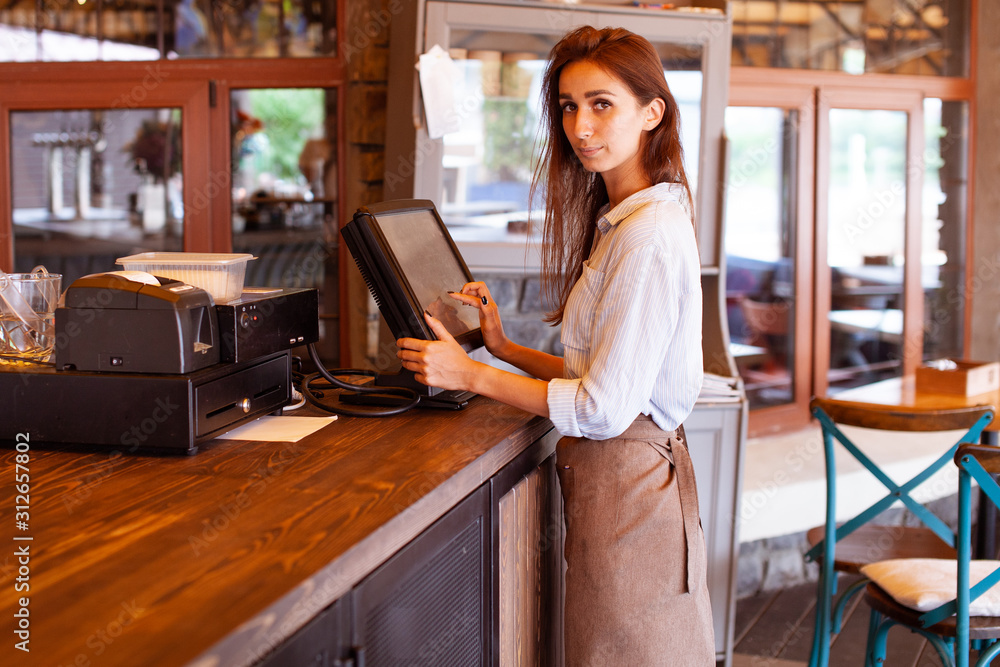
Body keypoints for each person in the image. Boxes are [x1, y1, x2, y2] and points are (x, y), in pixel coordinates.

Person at [397, 25, 713, 664]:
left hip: (630, 486)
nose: (581, 127)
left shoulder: (646, 235)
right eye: (569, 107)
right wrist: (503, 348)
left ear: (652, 113)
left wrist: (469, 376)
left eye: (602, 104)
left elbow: (602, 408)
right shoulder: (628, 219)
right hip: (626, 483)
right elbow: (599, 374)